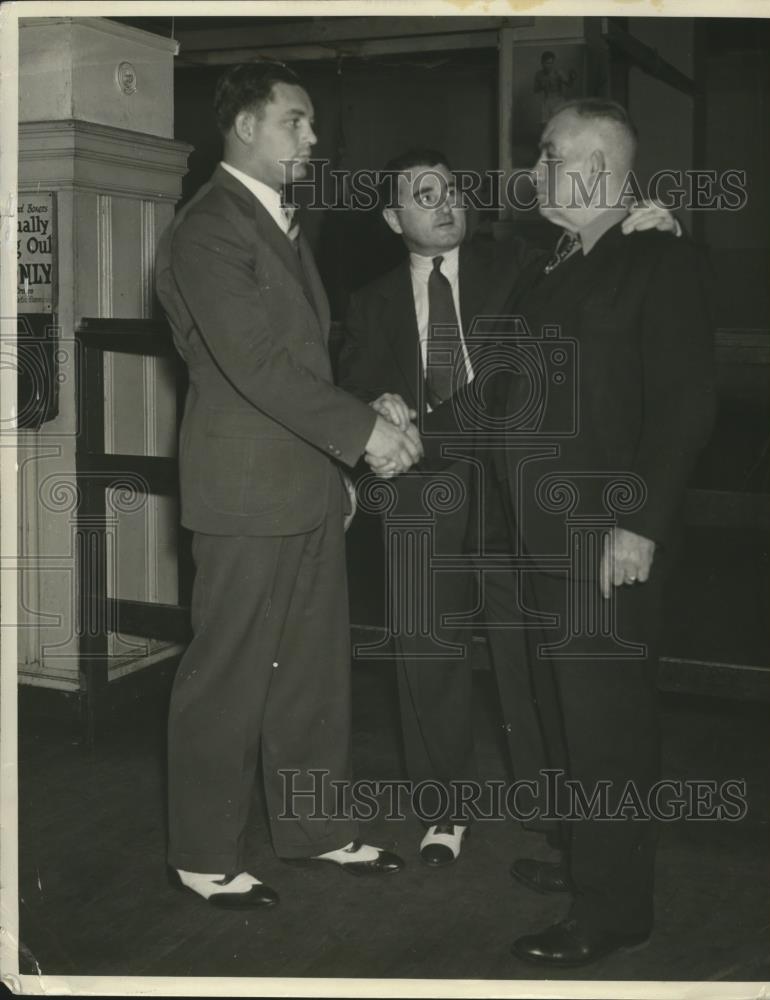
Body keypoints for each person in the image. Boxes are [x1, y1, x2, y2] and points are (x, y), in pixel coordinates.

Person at [338, 147, 680, 868]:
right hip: (420, 489)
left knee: (528, 646)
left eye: (452, 187)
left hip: (512, 486)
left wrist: (649, 225)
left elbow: (600, 270)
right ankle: (443, 810)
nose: (444, 202)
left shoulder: (522, 266)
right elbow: (355, 382)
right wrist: (376, 400)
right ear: (393, 217)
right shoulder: (366, 300)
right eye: (423, 194)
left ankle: (547, 803)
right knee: (427, 647)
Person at [154, 60, 422, 909]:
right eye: (296, 122)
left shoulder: (278, 225)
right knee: (230, 671)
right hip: (245, 492)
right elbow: (260, 368)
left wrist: (354, 422)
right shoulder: (208, 231)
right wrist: (365, 435)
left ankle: (314, 829)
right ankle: (202, 853)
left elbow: (306, 360)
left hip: (304, 484)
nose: (313, 138)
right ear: (244, 128)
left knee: (310, 669)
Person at [486, 98, 716, 966]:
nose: (535, 170)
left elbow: (686, 405)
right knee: (570, 719)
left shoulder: (661, 259)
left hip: (607, 542)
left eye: (549, 156)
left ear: (600, 168)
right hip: (546, 538)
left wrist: (639, 525)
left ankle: (614, 909)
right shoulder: (555, 265)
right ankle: (591, 859)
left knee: (608, 728)